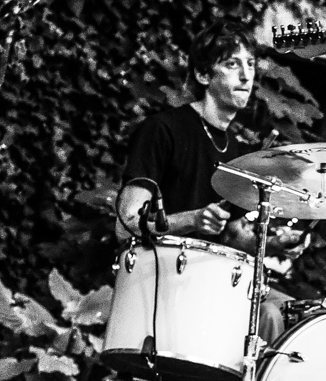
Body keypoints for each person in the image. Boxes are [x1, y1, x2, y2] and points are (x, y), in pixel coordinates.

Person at [115, 22, 300, 342]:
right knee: (268, 315)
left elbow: (231, 234)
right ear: (203, 75)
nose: (246, 76)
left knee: (293, 312)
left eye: (250, 64)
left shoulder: (238, 151)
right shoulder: (164, 130)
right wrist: (193, 219)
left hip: (212, 279)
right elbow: (127, 222)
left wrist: (275, 242)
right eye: (232, 64)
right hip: (162, 279)